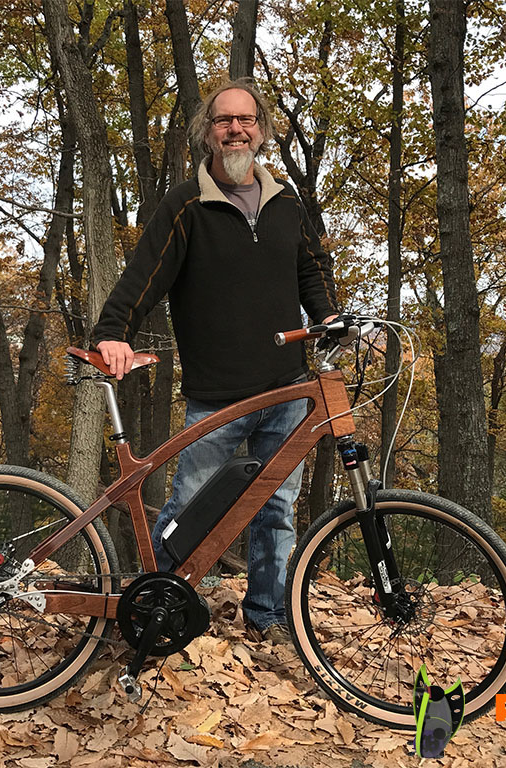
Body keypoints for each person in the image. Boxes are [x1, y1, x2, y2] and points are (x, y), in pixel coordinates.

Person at [92, 79, 338, 647]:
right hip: (217, 396)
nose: (236, 129)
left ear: (263, 129)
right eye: (225, 120)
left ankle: (268, 617)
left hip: (288, 392)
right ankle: (153, 615)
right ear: (208, 131)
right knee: (190, 509)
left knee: (276, 510)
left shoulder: (287, 205)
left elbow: (311, 273)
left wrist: (328, 317)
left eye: (247, 120)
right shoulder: (186, 205)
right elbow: (143, 277)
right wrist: (112, 334)